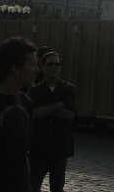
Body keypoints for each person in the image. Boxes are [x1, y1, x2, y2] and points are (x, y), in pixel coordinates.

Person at [0, 36, 39, 192]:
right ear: (15, 68)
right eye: (32, 64)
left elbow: (24, 152)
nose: (37, 70)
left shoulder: (25, 102)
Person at [27, 52, 78, 192]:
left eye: (57, 64)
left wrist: (45, 108)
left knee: (57, 187)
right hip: (38, 148)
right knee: (33, 186)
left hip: (60, 148)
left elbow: (70, 114)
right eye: (50, 64)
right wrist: (58, 105)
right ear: (42, 67)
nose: (53, 67)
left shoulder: (69, 89)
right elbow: (34, 113)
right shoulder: (34, 90)